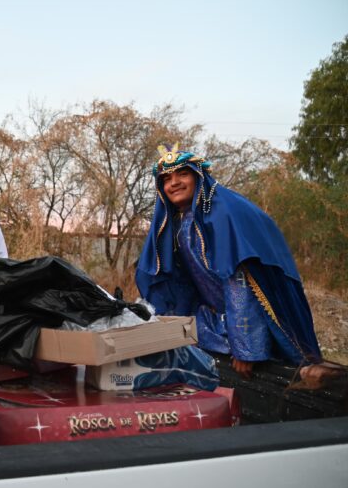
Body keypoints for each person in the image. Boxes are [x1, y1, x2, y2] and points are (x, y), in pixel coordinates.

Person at [135, 144, 322, 378]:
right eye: (167, 178)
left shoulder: (222, 214)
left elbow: (239, 280)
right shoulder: (178, 223)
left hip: (255, 321)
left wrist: (247, 348)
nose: (174, 183)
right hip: (217, 319)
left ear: (199, 177)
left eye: (183, 174)